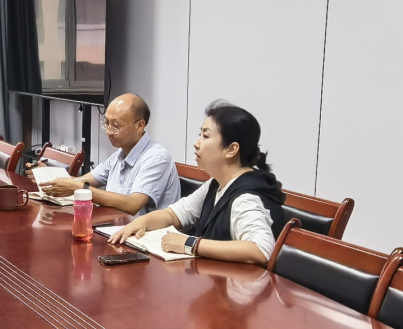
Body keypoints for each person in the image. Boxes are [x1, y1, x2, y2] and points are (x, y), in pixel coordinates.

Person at [109, 101, 284, 265]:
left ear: (232, 149)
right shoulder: (216, 184)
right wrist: (141, 222)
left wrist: (190, 243)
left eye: (205, 136)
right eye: (199, 135)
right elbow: (174, 214)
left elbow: (260, 250)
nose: (196, 143)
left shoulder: (246, 198)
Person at [39, 92, 179, 215]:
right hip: (116, 225)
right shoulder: (119, 154)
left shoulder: (156, 158)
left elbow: (133, 205)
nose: (108, 132)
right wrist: (50, 176)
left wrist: (80, 188)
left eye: (116, 126)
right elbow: (85, 180)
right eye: (106, 123)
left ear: (140, 125)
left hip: (146, 233)